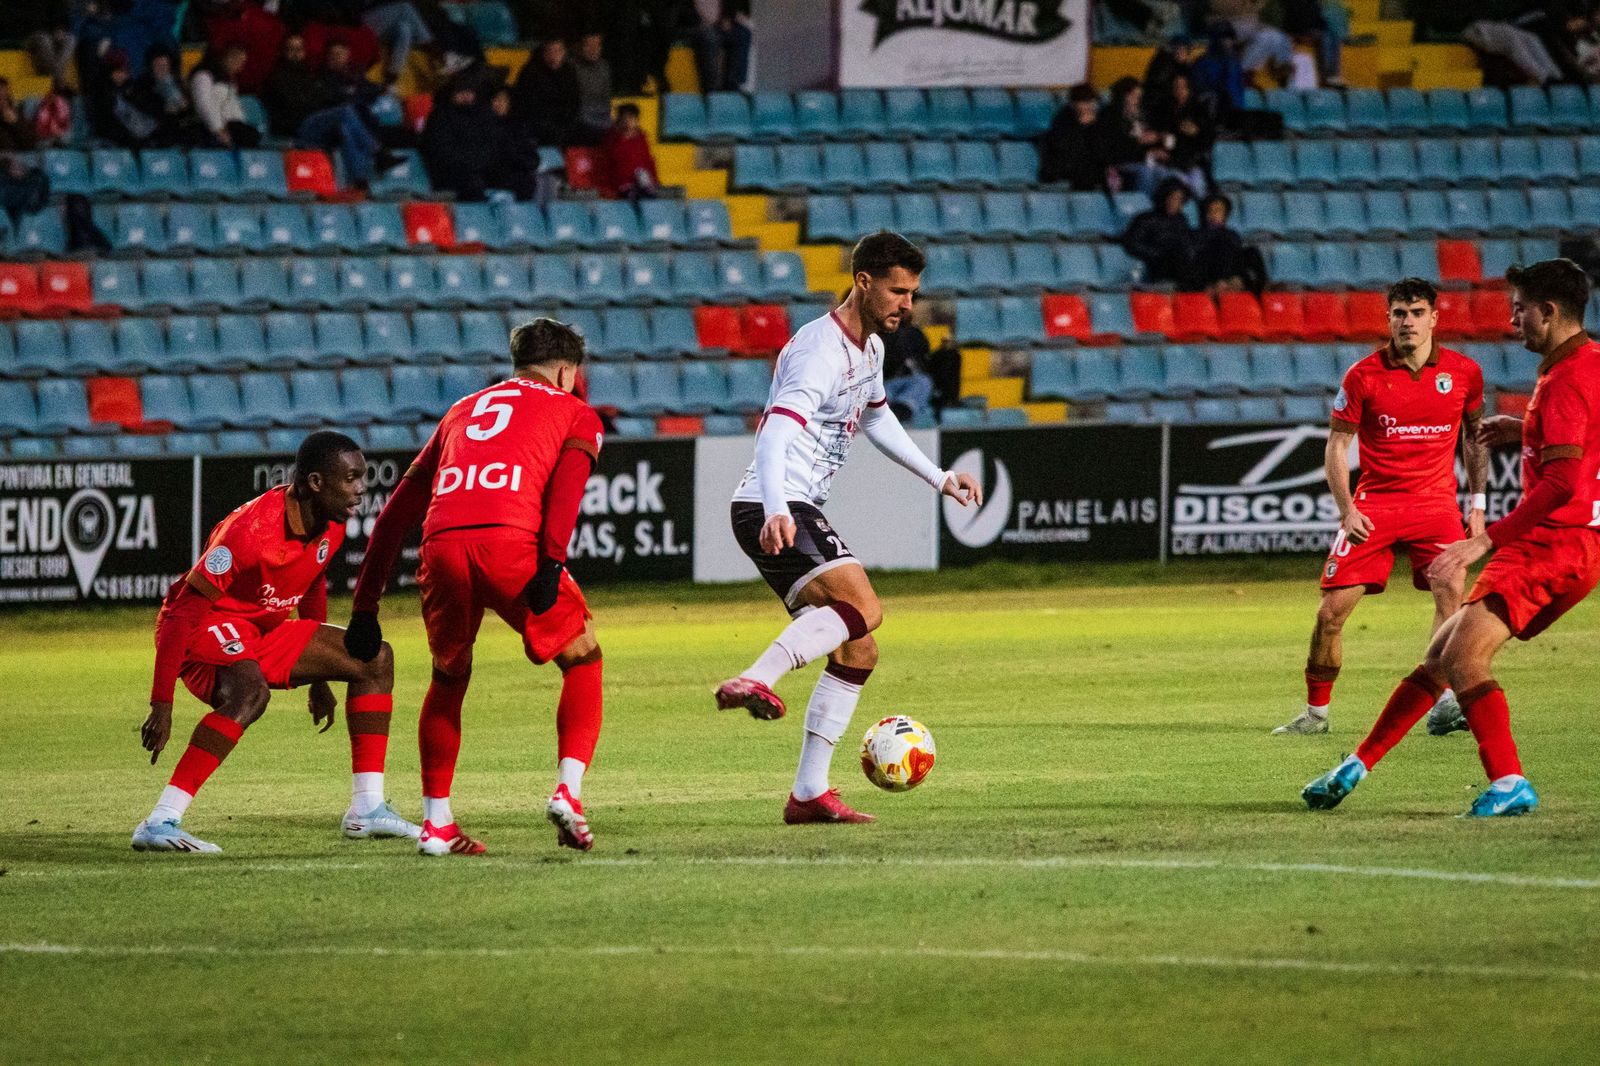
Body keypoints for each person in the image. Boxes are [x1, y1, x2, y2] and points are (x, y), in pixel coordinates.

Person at [1302, 259, 1600, 817]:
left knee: (1463, 658)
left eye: (1520, 309)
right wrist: (1525, 429)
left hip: (1557, 542)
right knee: (1441, 652)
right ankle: (1356, 765)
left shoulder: (1564, 377)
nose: (1513, 320)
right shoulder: (1587, 363)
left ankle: (1509, 780)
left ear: (1550, 311)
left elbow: (1561, 483)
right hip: (1569, 541)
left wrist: (1485, 536)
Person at [715, 231, 983, 825]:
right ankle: (755, 678)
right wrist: (780, 506)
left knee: (859, 645)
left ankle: (809, 794)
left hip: (789, 503)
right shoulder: (820, 350)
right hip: (773, 503)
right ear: (862, 282)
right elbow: (776, 432)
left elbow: (879, 420)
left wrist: (939, 478)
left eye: (912, 293)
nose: (906, 305)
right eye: (896, 291)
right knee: (864, 604)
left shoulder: (870, 351)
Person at [347, 319, 607, 857]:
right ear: (566, 370)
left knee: (448, 677)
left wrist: (366, 602)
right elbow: (565, 496)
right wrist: (551, 563)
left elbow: (396, 511)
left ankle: (436, 824)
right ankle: (569, 793)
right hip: (511, 543)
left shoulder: (462, 411)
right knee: (583, 657)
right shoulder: (575, 411)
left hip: (441, 545)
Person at [132, 431, 419, 853]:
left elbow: (311, 582)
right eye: (352, 478)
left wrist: (322, 679)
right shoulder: (248, 533)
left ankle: (367, 809)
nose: (362, 489)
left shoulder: (331, 524)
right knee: (250, 693)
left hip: (263, 628)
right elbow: (181, 615)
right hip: (206, 628)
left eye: (364, 477)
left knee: (374, 658)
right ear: (316, 483)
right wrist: (162, 704)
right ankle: (160, 821)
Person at [1272, 278, 1488, 737]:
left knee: (1451, 594)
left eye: (1415, 313)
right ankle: (1315, 715)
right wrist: (1346, 509)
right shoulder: (1363, 375)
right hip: (1376, 505)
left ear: (1434, 317)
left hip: (1435, 504)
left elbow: (1475, 437)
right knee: (1331, 612)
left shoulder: (1464, 372)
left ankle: (1446, 703)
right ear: (1388, 318)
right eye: (1398, 314)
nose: (1407, 322)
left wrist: (1477, 504)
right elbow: (1336, 447)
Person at [263, 35, 398, 190]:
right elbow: (296, 105)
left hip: (315, 123)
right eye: (290, 49)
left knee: (345, 129)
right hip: (297, 128)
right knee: (346, 111)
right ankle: (378, 152)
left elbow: (320, 99)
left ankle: (359, 181)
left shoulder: (308, 74)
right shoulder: (276, 78)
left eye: (299, 49)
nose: (295, 53)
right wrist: (316, 101)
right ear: (283, 51)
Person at [1121, 177, 1195, 287]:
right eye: (1171, 198)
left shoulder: (1181, 220)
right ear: (1163, 198)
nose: (1174, 203)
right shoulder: (1146, 219)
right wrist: (1158, 254)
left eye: (1179, 199)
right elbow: (1132, 243)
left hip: (1180, 266)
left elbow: (1186, 244)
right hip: (1156, 265)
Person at [1037, 84, 1108, 191]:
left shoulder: (1097, 120)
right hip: (1063, 164)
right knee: (1086, 173)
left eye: (1091, 102)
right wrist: (1081, 127)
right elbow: (1065, 149)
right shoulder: (1063, 119)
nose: (1089, 106)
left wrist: (1092, 127)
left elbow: (1100, 148)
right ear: (1074, 103)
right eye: (1084, 102)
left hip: (1086, 164)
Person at [513, 37, 581, 147]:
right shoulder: (530, 72)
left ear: (564, 52)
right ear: (543, 52)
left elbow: (574, 102)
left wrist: (566, 124)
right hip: (537, 127)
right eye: (550, 51)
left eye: (558, 51)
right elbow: (527, 107)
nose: (554, 56)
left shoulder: (569, 71)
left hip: (562, 126)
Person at [190, 42, 261, 148]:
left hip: (230, 127)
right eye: (238, 62)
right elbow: (205, 105)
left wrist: (240, 124)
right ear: (227, 58)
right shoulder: (203, 76)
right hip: (209, 130)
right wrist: (218, 129)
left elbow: (234, 108)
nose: (240, 68)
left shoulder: (229, 82)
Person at [1193, 194, 1267, 294]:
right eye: (1211, 210)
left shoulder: (1232, 235)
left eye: (1218, 211)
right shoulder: (1198, 235)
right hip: (1211, 275)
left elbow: (1237, 259)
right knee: (1222, 246)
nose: (1214, 214)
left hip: (1232, 274)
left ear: (1225, 215)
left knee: (1252, 252)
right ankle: (1222, 284)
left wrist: (1240, 278)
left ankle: (1262, 287)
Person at [599, 102, 660, 200]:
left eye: (631, 118)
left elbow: (648, 161)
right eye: (625, 118)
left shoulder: (641, 138)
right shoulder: (612, 138)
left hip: (642, 183)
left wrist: (654, 180)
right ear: (619, 120)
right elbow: (612, 161)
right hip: (622, 184)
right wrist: (622, 137)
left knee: (652, 197)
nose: (628, 122)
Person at [689, 0, 751, 92]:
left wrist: (727, 19)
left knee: (743, 34)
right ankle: (712, 88)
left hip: (717, 24)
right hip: (695, 24)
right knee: (709, 36)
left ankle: (733, 84)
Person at [572, 31, 614, 144]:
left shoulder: (605, 67)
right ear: (580, 47)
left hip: (601, 114)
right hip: (580, 116)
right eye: (589, 45)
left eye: (597, 45)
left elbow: (606, 99)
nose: (593, 49)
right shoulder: (572, 68)